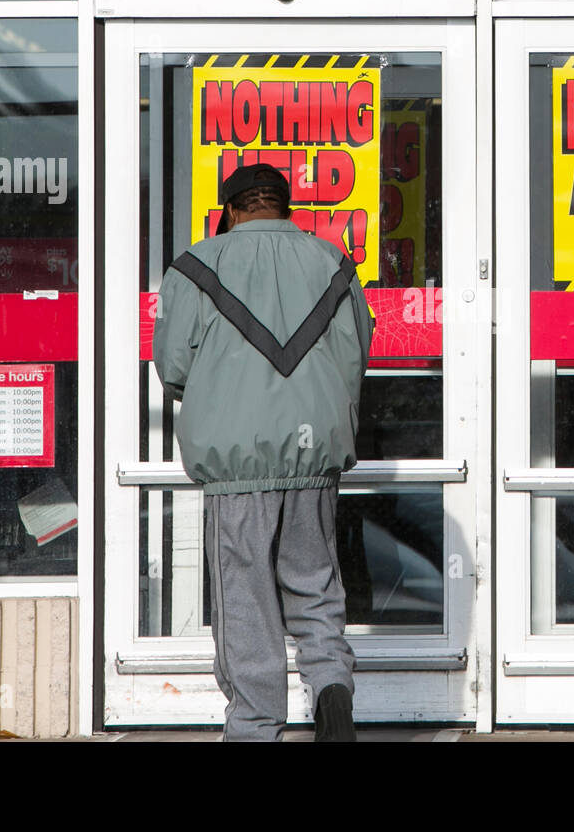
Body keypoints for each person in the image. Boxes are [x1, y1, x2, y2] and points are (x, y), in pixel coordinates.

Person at [153, 162, 373, 742]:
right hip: (311, 458)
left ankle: (255, 725)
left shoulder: (196, 266)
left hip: (236, 464)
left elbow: (173, 368)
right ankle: (331, 686)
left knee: (246, 598)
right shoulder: (335, 264)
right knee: (316, 582)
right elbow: (355, 361)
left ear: (229, 211)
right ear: (285, 206)